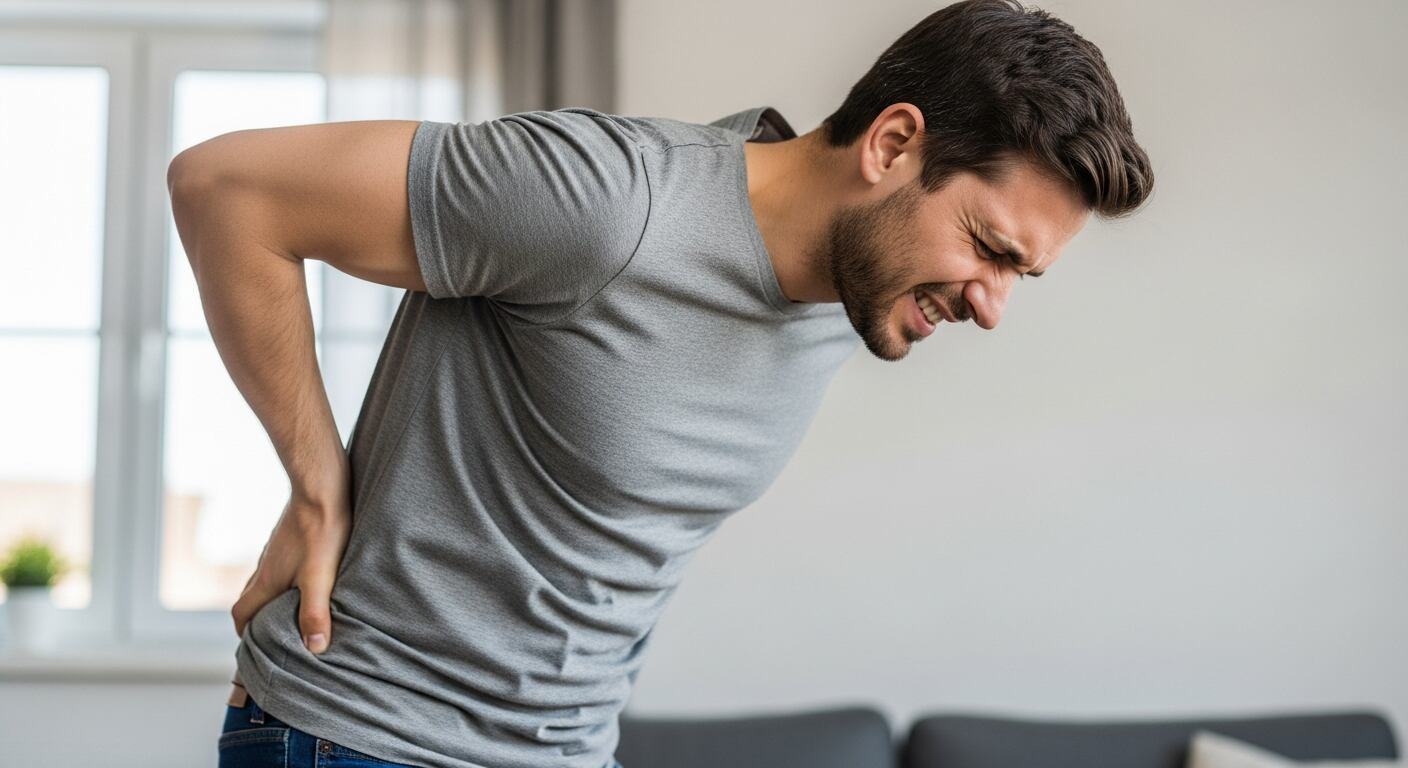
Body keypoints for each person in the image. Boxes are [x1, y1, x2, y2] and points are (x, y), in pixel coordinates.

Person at [167, 1, 1153, 766]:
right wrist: (316, 484)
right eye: (988, 247)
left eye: (1020, 275)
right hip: (364, 731)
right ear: (891, 145)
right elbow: (227, 192)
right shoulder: (605, 200)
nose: (991, 306)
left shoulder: (856, 287)